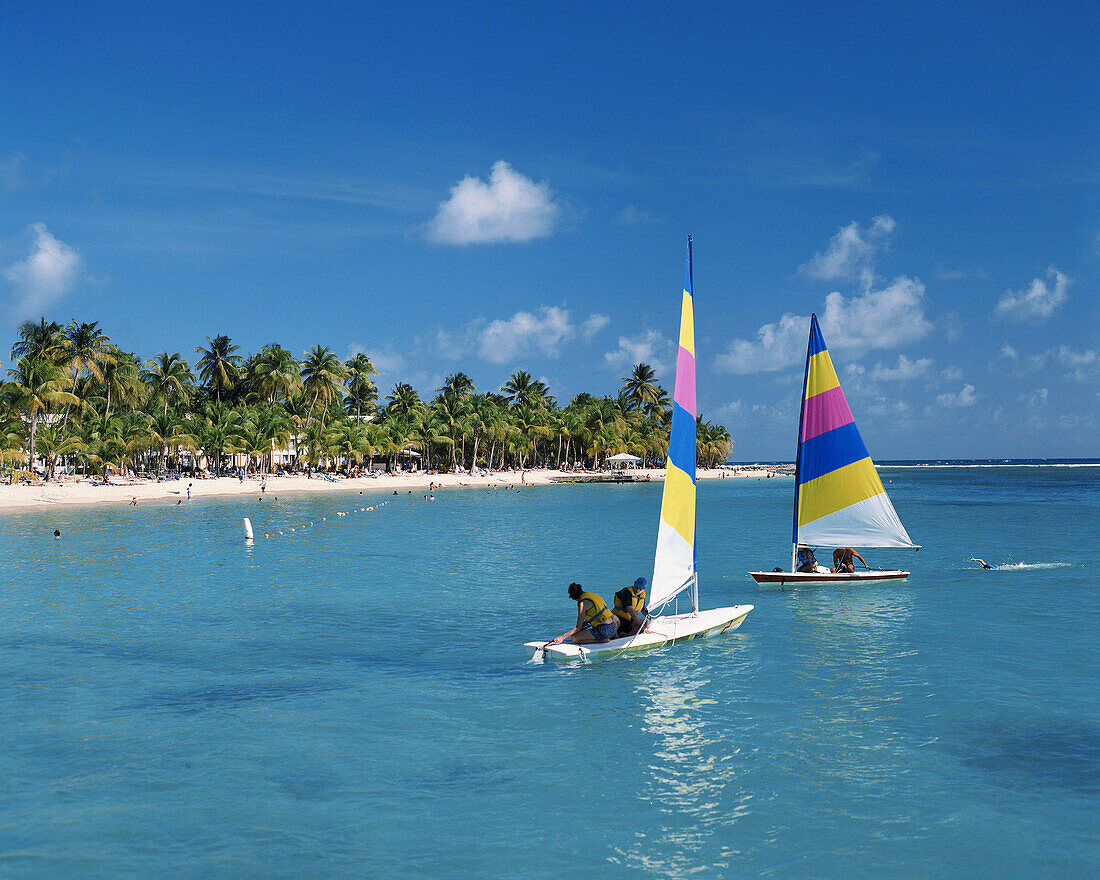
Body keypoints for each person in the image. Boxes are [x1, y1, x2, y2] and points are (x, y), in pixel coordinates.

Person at [546, 583, 619, 646]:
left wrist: (562, 637)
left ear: (574, 597)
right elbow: (592, 618)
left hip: (604, 630)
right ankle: (610, 637)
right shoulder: (592, 595)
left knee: (574, 638)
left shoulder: (582, 604)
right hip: (613, 627)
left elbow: (578, 627)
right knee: (579, 632)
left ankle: (603, 640)